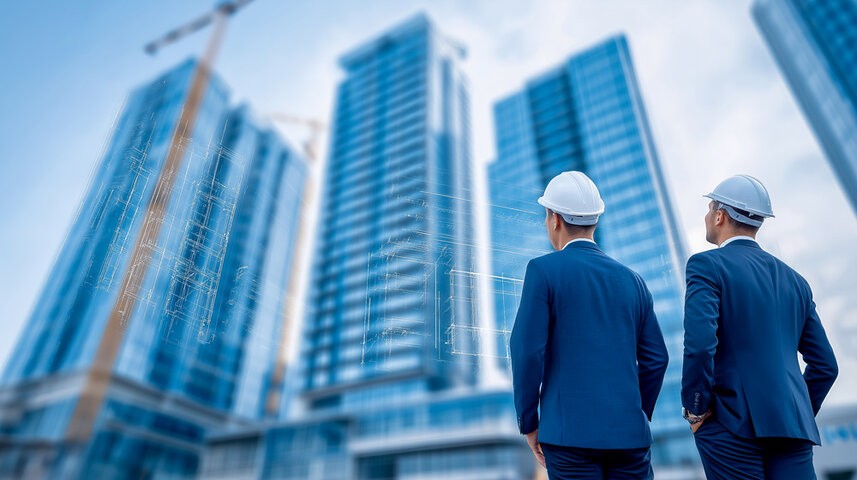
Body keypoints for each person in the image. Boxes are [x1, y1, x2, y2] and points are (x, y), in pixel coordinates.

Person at [510, 171, 669, 479]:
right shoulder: (634, 281)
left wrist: (529, 421)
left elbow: (527, 351)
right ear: (595, 220)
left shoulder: (543, 271)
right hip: (629, 438)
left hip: (568, 438)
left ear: (554, 219)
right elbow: (656, 360)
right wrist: (634, 413)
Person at [682, 174, 838, 479]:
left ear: (719, 215)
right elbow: (826, 366)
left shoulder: (706, 266)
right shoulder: (796, 282)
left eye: (708, 208)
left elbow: (700, 345)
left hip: (731, 426)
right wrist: (798, 412)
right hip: (791, 429)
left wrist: (696, 409)